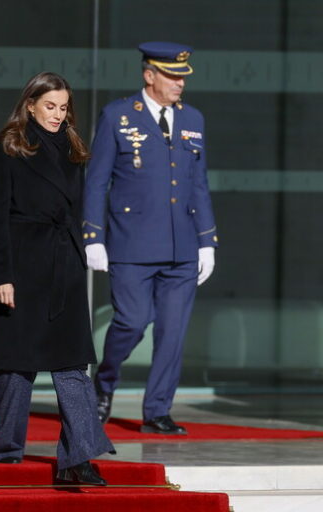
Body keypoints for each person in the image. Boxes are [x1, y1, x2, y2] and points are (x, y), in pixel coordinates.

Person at [0, 71, 115, 483]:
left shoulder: (73, 147)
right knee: (15, 365)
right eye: (51, 106)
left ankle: (77, 459)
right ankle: (6, 449)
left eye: (64, 107)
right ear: (31, 104)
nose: (58, 114)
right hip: (22, 266)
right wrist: (1, 273)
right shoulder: (6, 147)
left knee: (72, 364)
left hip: (64, 266)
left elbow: (75, 208)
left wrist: (84, 250)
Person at [83, 42, 218, 434]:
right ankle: (104, 382)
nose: (180, 84)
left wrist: (207, 241)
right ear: (149, 75)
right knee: (132, 321)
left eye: (182, 78)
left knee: (172, 333)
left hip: (182, 246)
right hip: (132, 244)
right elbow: (97, 182)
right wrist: (93, 235)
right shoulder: (118, 115)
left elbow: (199, 184)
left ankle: (157, 409)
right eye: (173, 77)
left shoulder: (193, 118)